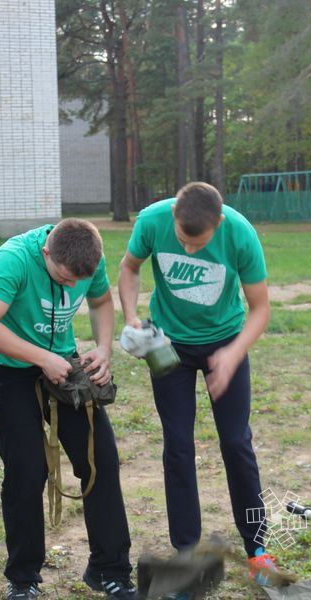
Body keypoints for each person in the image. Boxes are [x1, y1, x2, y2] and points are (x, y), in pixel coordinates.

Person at [117, 182, 275, 588]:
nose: (188, 250)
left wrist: (233, 353)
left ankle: (258, 549)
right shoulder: (152, 220)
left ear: (217, 223)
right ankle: (186, 553)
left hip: (225, 339)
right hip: (169, 345)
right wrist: (132, 315)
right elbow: (130, 267)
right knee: (178, 445)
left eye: (198, 243)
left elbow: (260, 309)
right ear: (174, 216)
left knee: (236, 443)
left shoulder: (239, 233)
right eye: (183, 241)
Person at [0, 219, 136, 600]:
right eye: (64, 279)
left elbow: (101, 301)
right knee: (27, 470)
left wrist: (104, 348)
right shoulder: (13, 260)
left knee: (100, 460)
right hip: (10, 371)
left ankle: (109, 569)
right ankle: (23, 578)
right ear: (47, 252)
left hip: (63, 365)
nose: (70, 286)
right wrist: (40, 357)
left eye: (77, 281)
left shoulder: (88, 258)